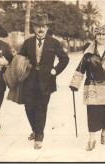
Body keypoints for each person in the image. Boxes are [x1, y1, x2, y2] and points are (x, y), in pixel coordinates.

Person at [19, 14, 69, 149]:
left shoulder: (54, 42)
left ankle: (39, 136)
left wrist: (55, 70)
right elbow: (20, 59)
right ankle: (35, 129)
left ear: (47, 28)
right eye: (37, 26)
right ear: (34, 28)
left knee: (41, 108)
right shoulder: (28, 42)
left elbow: (64, 59)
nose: (40, 29)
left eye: (43, 26)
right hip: (29, 81)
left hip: (46, 81)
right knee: (29, 107)